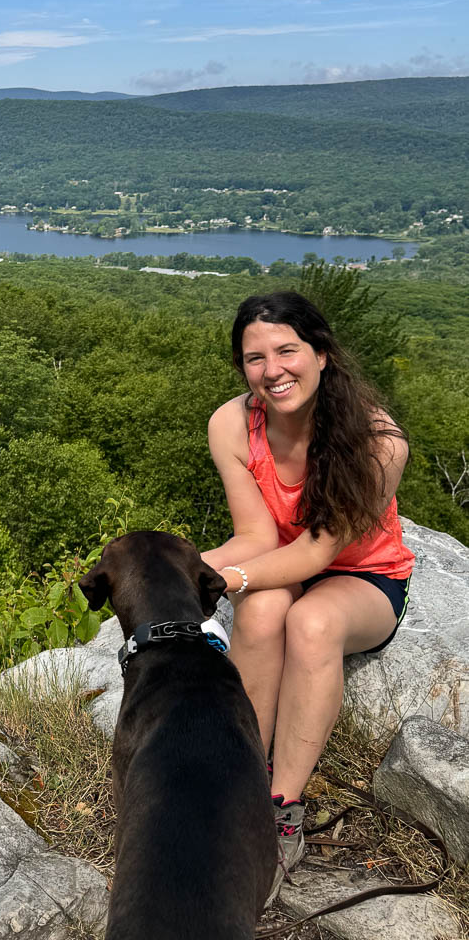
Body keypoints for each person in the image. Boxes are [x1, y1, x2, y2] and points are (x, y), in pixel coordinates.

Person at [201, 290, 413, 893]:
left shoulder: (379, 443)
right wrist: (183, 566)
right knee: (266, 610)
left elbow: (320, 551)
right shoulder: (232, 424)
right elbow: (255, 536)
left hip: (365, 576)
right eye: (253, 358)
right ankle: (234, 777)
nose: (272, 371)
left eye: (287, 350)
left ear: (322, 354)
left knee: (311, 624)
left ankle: (281, 806)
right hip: (282, 563)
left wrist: (227, 580)